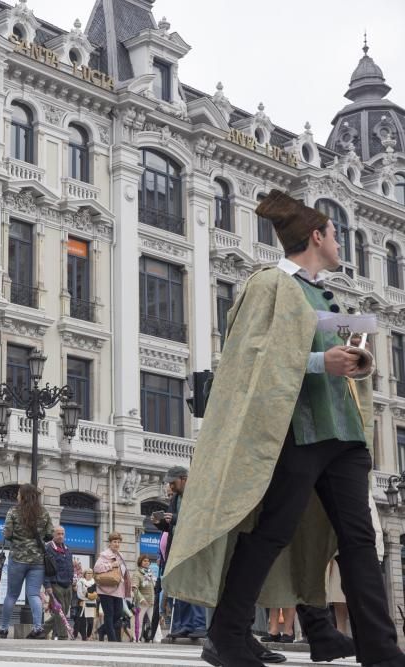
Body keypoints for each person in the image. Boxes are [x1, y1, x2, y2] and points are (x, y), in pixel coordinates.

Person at [164, 189, 402, 667]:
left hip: (345, 435)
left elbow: (321, 353)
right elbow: (247, 355)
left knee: (359, 540)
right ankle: (227, 635)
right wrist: (320, 360)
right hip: (298, 432)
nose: (341, 247)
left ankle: (381, 650)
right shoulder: (270, 282)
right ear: (316, 236)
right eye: (336, 236)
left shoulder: (326, 293)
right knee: (272, 532)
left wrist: (355, 359)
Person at [152, 467, 206, 640]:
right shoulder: (176, 498)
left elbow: (199, 518)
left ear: (184, 479)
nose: (171, 486)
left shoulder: (197, 494)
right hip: (178, 547)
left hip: (193, 546)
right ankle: (185, 625)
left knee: (193, 586)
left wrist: (173, 519)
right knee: (181, 587)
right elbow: (171, 526)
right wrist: (160, 523)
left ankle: (199, 624)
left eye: (173, 482)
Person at [0, 483, 54, 640]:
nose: (17, 496)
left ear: (22, 495)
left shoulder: (13, 511)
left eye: (18, 493)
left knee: (11, 595)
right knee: (34, 594)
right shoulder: (44, 512)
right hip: (37, 560)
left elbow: (7, 534)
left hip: (17, 558)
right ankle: (37, 627)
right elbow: (50, 534)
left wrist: (17, 538)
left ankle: (3, 629)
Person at [93, 532, 130, 642]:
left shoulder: (120, 556)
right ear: (110, 543)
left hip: (118, 589)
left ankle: (102, 630)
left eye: (118, 542)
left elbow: (122, 572)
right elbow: (96, 568)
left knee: (118, 613)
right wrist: (111, 565)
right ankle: (112, 640)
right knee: (109, 614)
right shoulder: (104, 554)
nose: (117, 544)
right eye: (114, 542)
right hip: (106, 589)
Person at [43, 526, 75, 640]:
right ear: (53, 534)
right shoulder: (48, 548)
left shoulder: (67, 549)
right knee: (60, 611)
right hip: (55, 584)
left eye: (62, 534)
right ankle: (63, 636)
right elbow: (45, 568)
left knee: (62, 612)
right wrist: (47, 585)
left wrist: (72, 580)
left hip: (68, 584)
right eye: (58, 534)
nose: (61, 536)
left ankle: (41, 632)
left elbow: (70, 566)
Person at [131, 555, 156, 642]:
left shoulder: (150, 573)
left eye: (148, 561)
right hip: (142, 602)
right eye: (144, 561)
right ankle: (136, 638)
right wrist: (141, 599)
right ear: (140, 562)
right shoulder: (137, 573)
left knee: (155, 621)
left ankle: (158, 639)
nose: (147, 562)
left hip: (152, 601)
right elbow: (134, 588)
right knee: (139, 621)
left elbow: (153, 587)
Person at [76, 568, 98, 640]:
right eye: (88, 573)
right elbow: (80, 595)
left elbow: (96, 595)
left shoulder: (95, 583)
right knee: (83, 622)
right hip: (83, 604)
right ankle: (84, 637)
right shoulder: (81, 582)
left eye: (91, 573)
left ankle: (88, 635)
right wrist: (90, 597)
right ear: (85, 574)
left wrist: (89, 596)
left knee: (91, 622)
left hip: (92, 605)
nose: (89, 575)